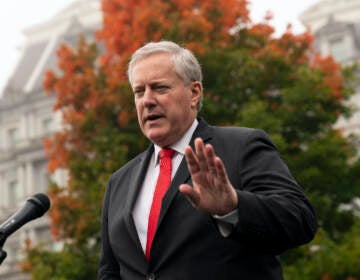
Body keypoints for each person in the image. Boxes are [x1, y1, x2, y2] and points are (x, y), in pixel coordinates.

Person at [98, 41, 317, 280]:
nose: (147, 101)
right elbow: (110, 271)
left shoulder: (241, 147)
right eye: (139, 92)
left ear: (194, 93)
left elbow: (300, 219)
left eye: (160, 88)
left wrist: (232, 207)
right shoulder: (119, 182)